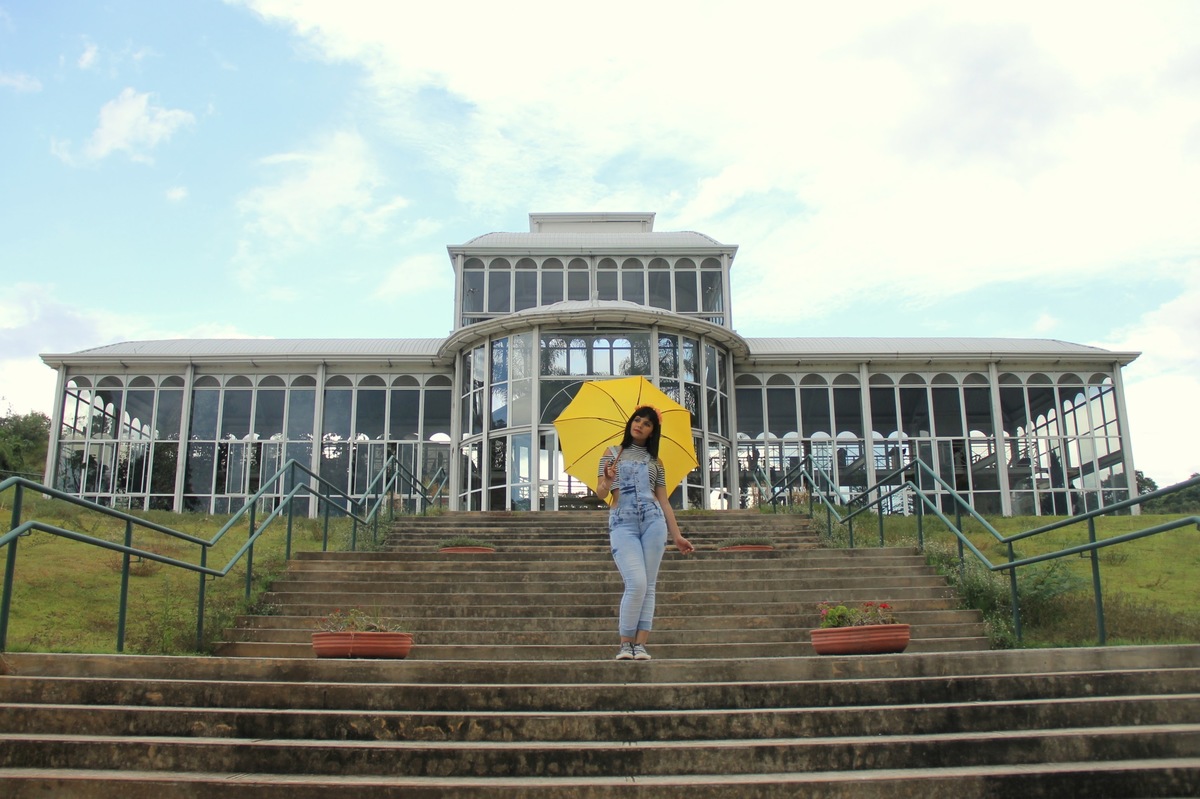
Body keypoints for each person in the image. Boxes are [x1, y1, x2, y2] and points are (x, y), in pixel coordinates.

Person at [596, 405, 694, 661]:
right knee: (636, 582)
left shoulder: (656, 462)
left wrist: (677, 535)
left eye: (647, 423)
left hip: (653, 522)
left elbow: (663, 501)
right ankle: (624, 644)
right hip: (623, 523)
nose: (639, 424)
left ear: (652, 431)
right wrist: (607, 479)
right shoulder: (611, 454)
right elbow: (601, 493)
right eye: (637, 419)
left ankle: (640, 645)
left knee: (649, 585)